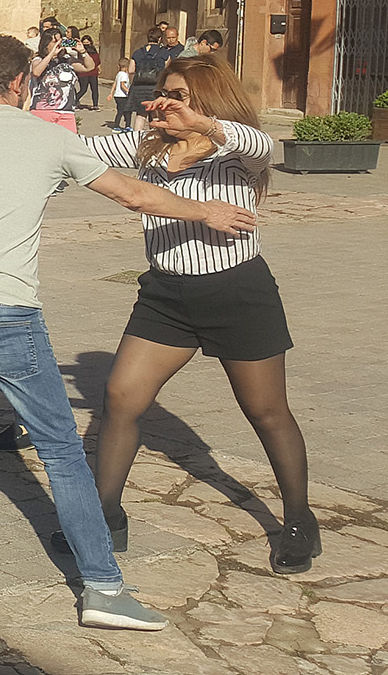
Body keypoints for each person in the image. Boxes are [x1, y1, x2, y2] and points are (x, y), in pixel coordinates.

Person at [0, 33, 257, 633]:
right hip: (6, 310)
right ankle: (104, 588)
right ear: (17, 83)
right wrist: (206, 211)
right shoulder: (48, 137)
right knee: (61, 447)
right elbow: (133, 193)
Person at [72, 58, 316, 573]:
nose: (167, 103)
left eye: (179, 95)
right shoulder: (146, 147)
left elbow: (265, 146)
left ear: (206, 99)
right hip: (165, 296)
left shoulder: (234, 152)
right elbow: (75, 151)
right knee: (120, 398)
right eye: (163, 93)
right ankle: (104, 518)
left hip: (238, 293)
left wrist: (202, 125)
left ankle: (298, 520)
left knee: (267, 412)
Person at [29, 27, 96, 133]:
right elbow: (36, 72)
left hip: (66, 111)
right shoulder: (39, 59)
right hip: (43, 110)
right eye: (55, 42)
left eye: (61, 41)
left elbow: (89, 67)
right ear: (46, 43)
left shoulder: (67, 60)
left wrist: (83, 51)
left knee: (69, 144)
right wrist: (51, 54)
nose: (59, 44)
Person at [127, 27, 183, 130]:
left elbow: (130, 70)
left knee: (140, 115)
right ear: (160, 39)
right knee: (156, 114)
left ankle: (136, 138)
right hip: (155, 87)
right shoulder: (164, 52)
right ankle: (155, 137)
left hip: (138, 88)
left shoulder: (137, 52)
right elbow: (168, 69)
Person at [78, 35, 102, 109]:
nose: (86, 44)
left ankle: (95, 104)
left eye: (87, 42)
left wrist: (99, 68)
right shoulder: (80, 52)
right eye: (84, 43)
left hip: (93, 72)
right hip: (83, 73)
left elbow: (97, 61)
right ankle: (74, 100)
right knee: (83, 89)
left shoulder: (94, 51)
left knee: (94, 89)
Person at [110, 65, 133, 130]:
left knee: (121, 111)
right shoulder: (124, 75)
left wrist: (111, 93)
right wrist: (129, 92)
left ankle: (121, 125)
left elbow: (115, 83)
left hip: (117, 95)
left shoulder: (118, 74)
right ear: (126, 67)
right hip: (123, 96)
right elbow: (122, 85)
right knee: (126, 111)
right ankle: (120, 126)